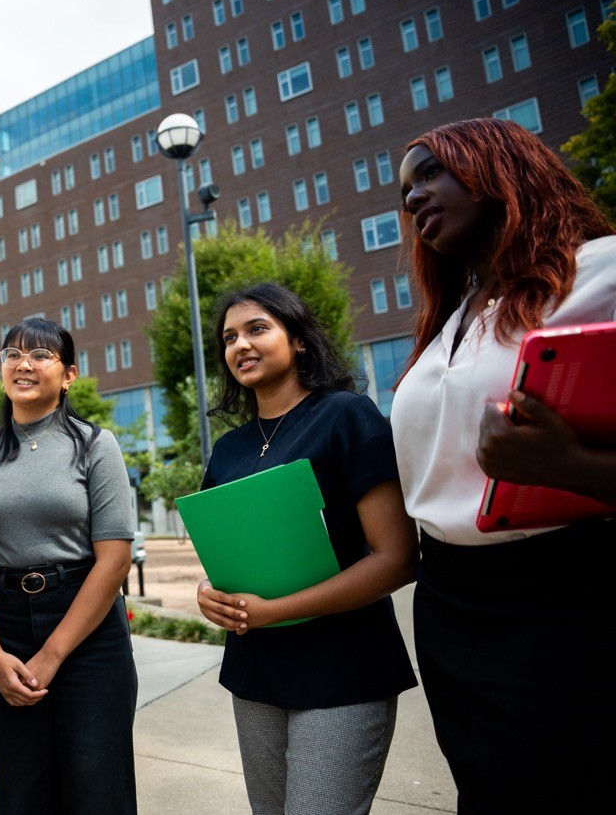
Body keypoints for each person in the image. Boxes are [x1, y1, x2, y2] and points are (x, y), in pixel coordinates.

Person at [391, 117, 616, 813]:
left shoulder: (601, 269)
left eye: (432, 172)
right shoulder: (452, 318)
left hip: (562, 592)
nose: (415, 198)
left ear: (497, 165)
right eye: (406, 192)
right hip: (452, 603)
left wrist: (570, 463)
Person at [195, 283, 418, 815]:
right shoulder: (229, 448)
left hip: (343, 666)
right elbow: (225, 561)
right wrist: (209, 593)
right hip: (256, 671)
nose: (240, 346)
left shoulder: (347, 415)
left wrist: (275, 611)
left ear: (297, 340)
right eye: (229, 337)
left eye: (257, 329)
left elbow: (397, 557)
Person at [0, 317, 138, 815]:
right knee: (23, 790)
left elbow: (115, 558)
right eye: (12, 354)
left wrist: (53, 654)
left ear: (69, 374)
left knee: (98, 786)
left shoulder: (97, 445)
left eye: (39, 355)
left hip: (89, 626)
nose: (23, 364)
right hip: (9, 624)